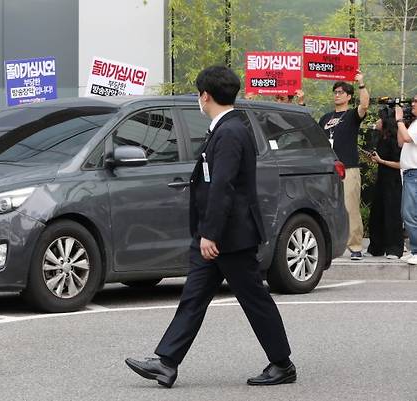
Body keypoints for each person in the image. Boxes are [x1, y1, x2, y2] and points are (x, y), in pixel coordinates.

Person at [125, 66, 294, 388]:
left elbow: (223, 187)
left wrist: (210, 234)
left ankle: (282, 363)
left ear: (205, 96)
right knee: (194, 297)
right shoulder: (226, 127)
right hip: (219, 235)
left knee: (254, 299)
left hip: (229, 237)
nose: (198, 100)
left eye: (198, 95)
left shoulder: (230, 131)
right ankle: (166, 363)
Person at [318, 73, 370, 260]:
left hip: (348, 168)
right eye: (335, 92)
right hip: (327, 170)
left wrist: (361, 83)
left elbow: (364, 105)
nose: (337, 95)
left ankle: (355, 247)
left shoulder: (352, 115)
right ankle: (329, 244)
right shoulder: (325, 118)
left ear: (348, 96)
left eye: (341, 92)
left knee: (350, 207)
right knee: (325, 207)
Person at [366, 107, 404, 259]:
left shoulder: (395, 139)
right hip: (382, 179)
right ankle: (376, 248)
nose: (377, 121)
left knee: (392, 214)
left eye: (380, 118)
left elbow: (399, 163)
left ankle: (394, 249)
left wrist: (381, 161)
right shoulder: (381, 137)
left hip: (393, 181)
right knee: (377, 214)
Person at [396, 98, 417, 265]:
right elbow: (401, 141)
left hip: (415, 174)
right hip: (409, 173)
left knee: (410, 214)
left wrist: (399, 120)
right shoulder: (414, 123)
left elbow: (407, 138)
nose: (413, 104)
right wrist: (400, 123)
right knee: (408, 214)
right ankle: (414, 249)